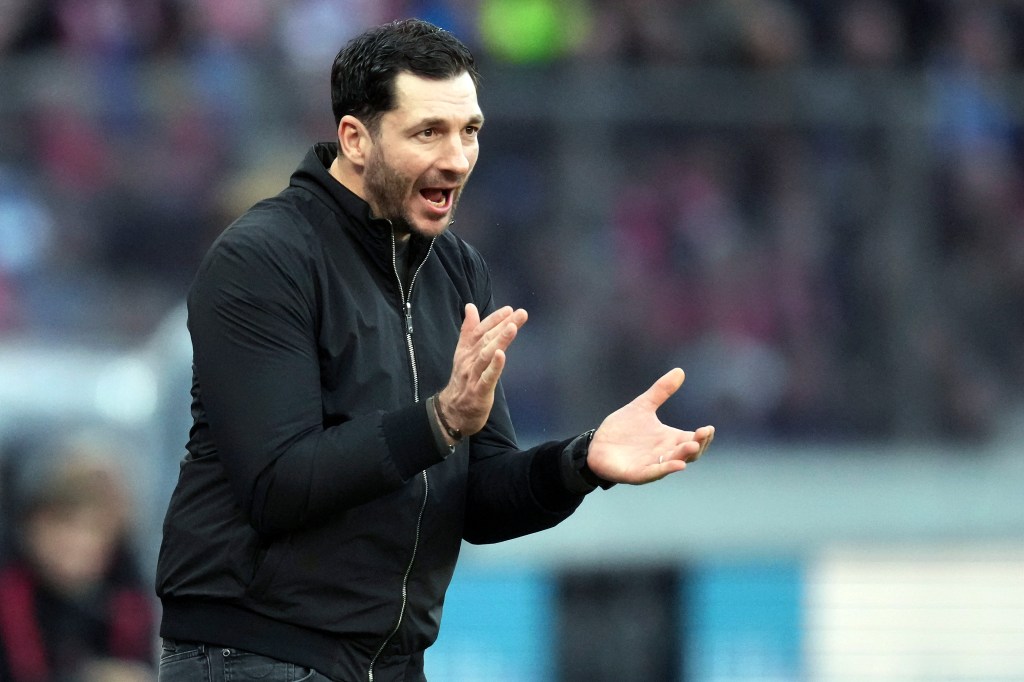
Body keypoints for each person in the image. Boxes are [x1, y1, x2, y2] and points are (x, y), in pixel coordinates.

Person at [155, 18, 714, 682]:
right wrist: (439, 422)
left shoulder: (455, 269)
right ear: (355, 139)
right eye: (428, 132)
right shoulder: (265, 257)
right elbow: (278, 483)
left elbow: (479, 499)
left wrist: (580, 461)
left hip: (390, 663)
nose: (456, 158)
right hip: (259, 654)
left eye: (469, 131)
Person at [0, 433, 155, 682]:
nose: (77, 542)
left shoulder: (126, 591)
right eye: (63, 521)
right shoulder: (11, 585)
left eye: (93, 528)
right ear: (31, 525)